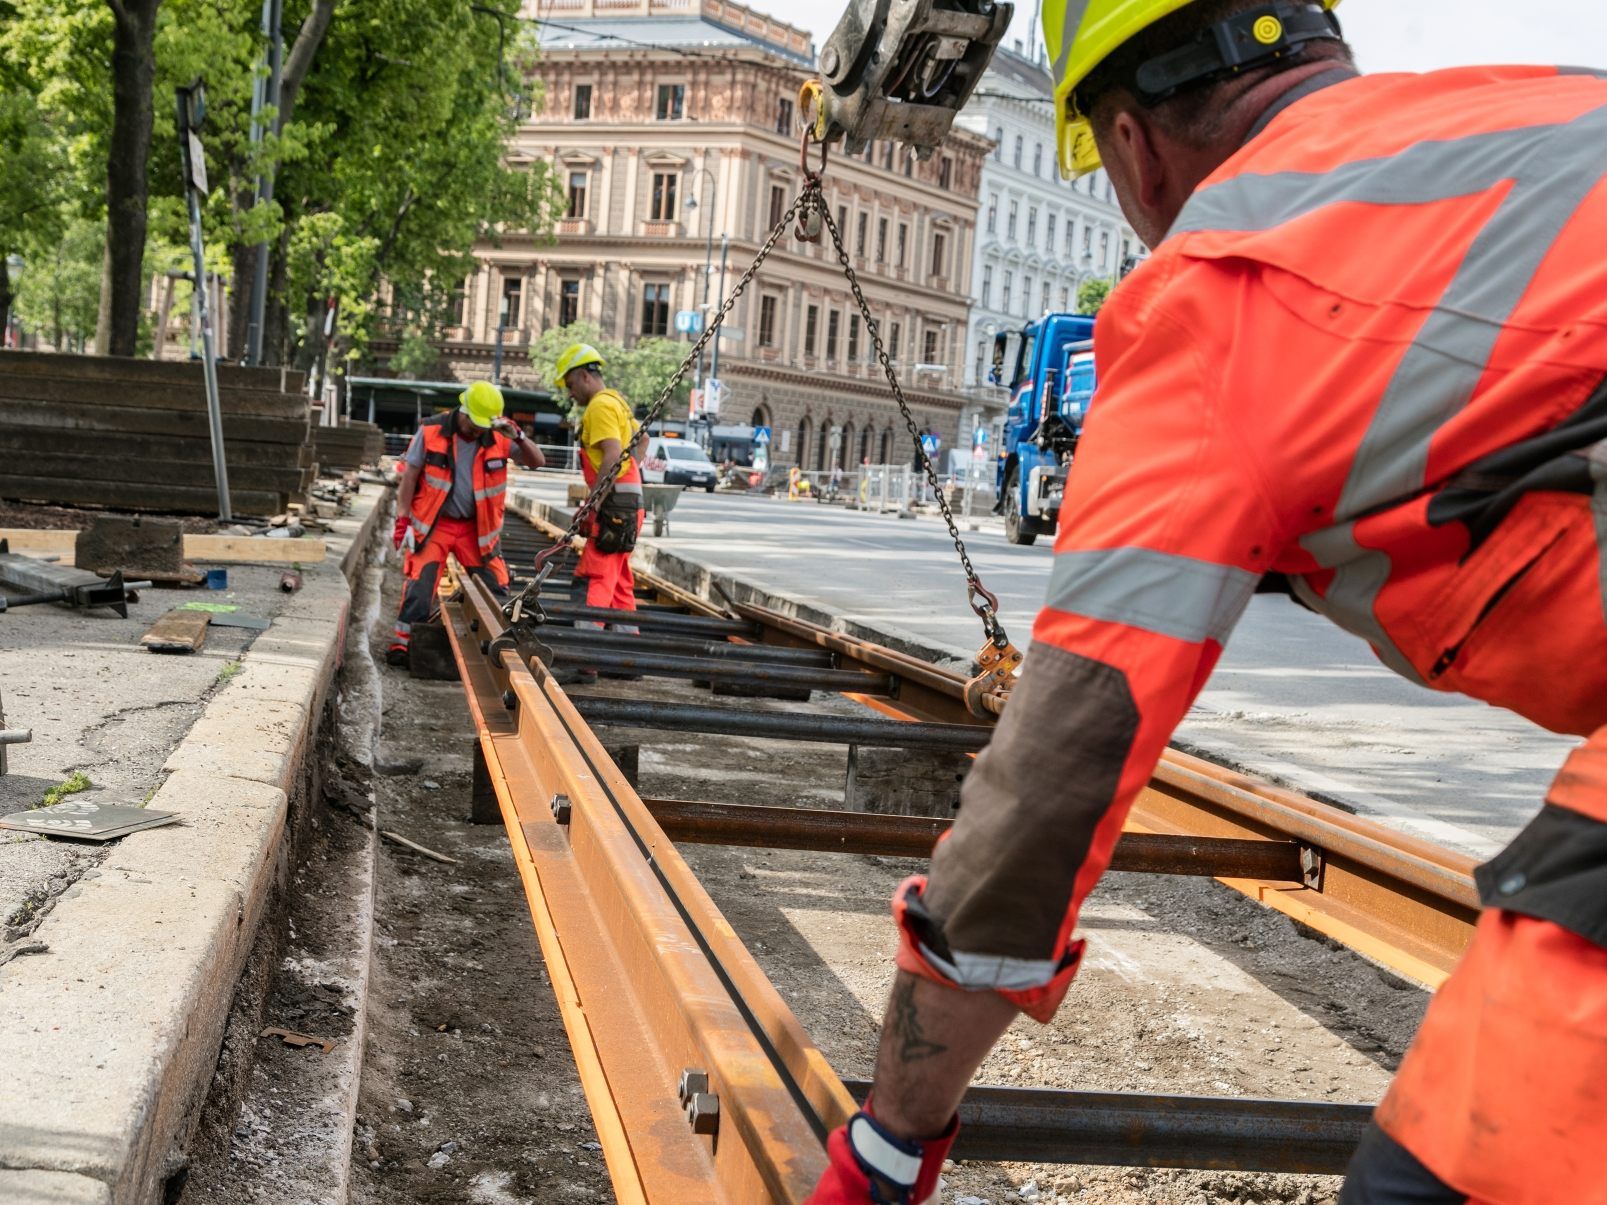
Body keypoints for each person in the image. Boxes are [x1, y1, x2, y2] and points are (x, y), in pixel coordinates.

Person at [808, 3, 1607, 1203]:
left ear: (1133, 150)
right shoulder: (1552, 101)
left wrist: (888, 1144)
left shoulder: (1211, 296)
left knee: (1470, 1160)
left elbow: (1048, 793)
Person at [388, 380, 544, 665]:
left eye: (483, 426)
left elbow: (537, 461)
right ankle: (403, 643)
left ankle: (499, 646)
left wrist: (519, 437)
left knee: (495, 589)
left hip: (476, 531)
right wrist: (403, 521)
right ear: (463, 410)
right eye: (474, 424)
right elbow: (409, 476)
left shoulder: (499, 436)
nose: (477, 431)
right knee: (420, 586)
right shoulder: (432, 430)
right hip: (436, 525)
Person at [555, 343, 644, 620]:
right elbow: (643, 441)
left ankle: (587, 656)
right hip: (627, 506)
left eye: (571, 384)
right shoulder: (617, 402)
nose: (570, 393)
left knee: (593, 577)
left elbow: (613, 455)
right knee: (618, 583)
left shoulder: (600, 406)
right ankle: (621, 652)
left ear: (585, 376)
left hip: (614, 509)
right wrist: (628, 480)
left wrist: (592, 507)